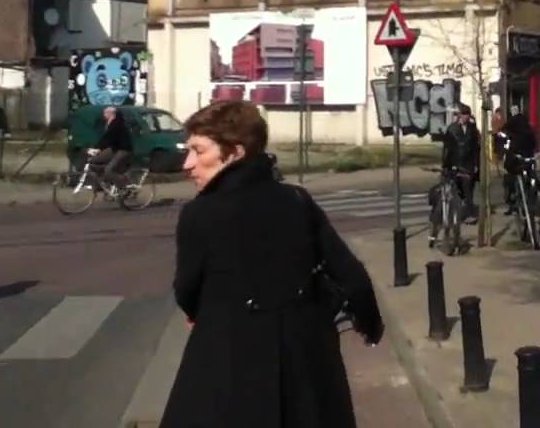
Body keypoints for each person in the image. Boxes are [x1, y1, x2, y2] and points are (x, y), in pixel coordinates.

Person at [160, 100, 383, 428]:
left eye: (198, 150)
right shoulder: (297, 200)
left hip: (228, 359)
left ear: (235, 153)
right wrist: (370, 324)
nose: (187, 163)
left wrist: (202, 313)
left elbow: (186, 289)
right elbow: (351, 273)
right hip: (306, 360)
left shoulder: (200, 214)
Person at [438, 105, 481, 230]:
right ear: (459, 115)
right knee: (455, 189)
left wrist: (476, 165)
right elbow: (447, 148)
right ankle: (452, 214)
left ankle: (469, 214)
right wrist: (445, 165)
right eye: (463, 114)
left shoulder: (472, 129)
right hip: (454, 163)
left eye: (467, 114)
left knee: (468, 189)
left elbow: (476, 149)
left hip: (468, 164)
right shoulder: (452, 129)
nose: (466, 116)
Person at [495, 111, 537, 214]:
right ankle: (529, 201)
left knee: (512, 181)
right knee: (529, 181)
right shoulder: (527, 132)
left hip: (517, 162)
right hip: (526, 161)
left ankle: (514, 203)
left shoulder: (514, 134)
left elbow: (503, 145)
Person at [87, 106, 132, 194]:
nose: (104, 115)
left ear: (111, 114)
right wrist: (96, 148)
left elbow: (109, 138)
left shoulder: (117, 124)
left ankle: (125, 184)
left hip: (123, 150)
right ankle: (102, 183)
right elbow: (105, 138)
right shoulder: (110, 123)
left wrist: (98, 149)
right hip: (114, 149)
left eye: (105, 113)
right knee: (93, 161)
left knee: (109, 170)